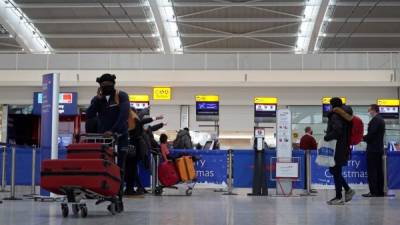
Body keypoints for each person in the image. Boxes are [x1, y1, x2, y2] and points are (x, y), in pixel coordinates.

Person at [86, 73, 129, 211]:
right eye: (103, 86)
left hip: (120, 137)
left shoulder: (121, 96)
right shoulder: (98, 99)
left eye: (108, 86)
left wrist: (113, 130)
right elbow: (89, 115)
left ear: (113, 85)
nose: (106, 88)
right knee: (103, 167)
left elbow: (124, 115)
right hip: (104, 140)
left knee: (120, 169)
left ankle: (119, 198)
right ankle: (105, 192)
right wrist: (97, 100)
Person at [324, 97, 355, 205]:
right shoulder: (346, 115)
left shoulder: (335, 115)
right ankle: (346, 191)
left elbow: (338, 130)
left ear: (333, 105)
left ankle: (340, 196)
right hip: (343, 146)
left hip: (337, 147)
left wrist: (327, 137)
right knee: (335, 171)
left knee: (335, 171)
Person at [362, 104, 386, 197]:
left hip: (373, 149)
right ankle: (379, 191)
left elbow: (372, 135)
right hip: (378, 148)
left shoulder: (376, 120)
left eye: (369, 110)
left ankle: (373, 192)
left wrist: (362, 138)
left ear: (373, 110)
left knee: (372, 171)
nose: (369, 112)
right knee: (379, 171)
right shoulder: (381, 119)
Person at [299, 127, 318, 194]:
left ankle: (305, 187)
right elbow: (315, 148)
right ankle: (309, 187)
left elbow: (300, 147)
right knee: (309, 173)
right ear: (310, 131)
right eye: (311, 130)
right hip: (309, 158)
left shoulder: (302, 138)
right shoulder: (311, 138)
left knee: (305, 172)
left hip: (303, 157)